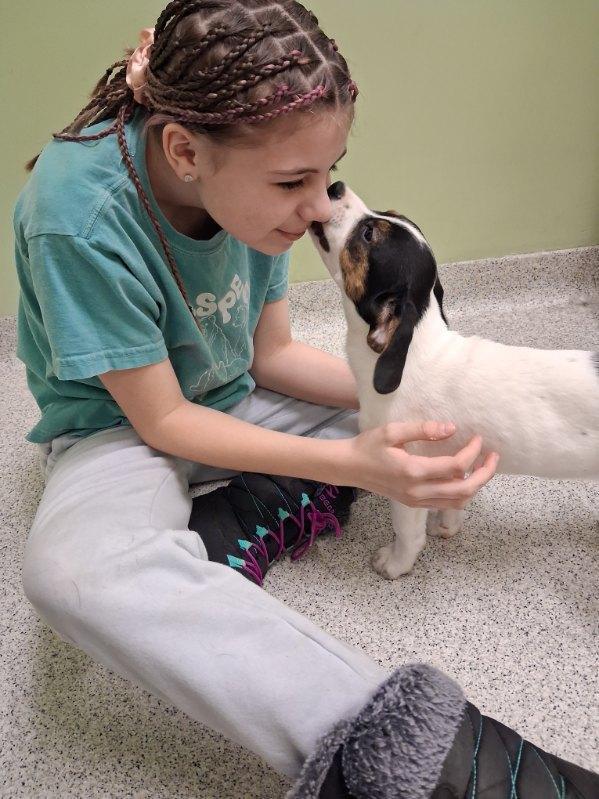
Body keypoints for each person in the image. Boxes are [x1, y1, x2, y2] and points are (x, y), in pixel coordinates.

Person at [14, 2, 597, 796]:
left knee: (423, 411)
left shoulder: (259, 199)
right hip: (123, 432)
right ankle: (438, 768)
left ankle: (236, 504)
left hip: (235, 397)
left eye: (327, 173)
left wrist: (443, 394)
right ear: (185, 152)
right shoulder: (77, 218)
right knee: (70, 573)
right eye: (294, 182)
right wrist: (351, 457)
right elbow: (161, 419)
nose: (321, 205)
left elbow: (273, 356)